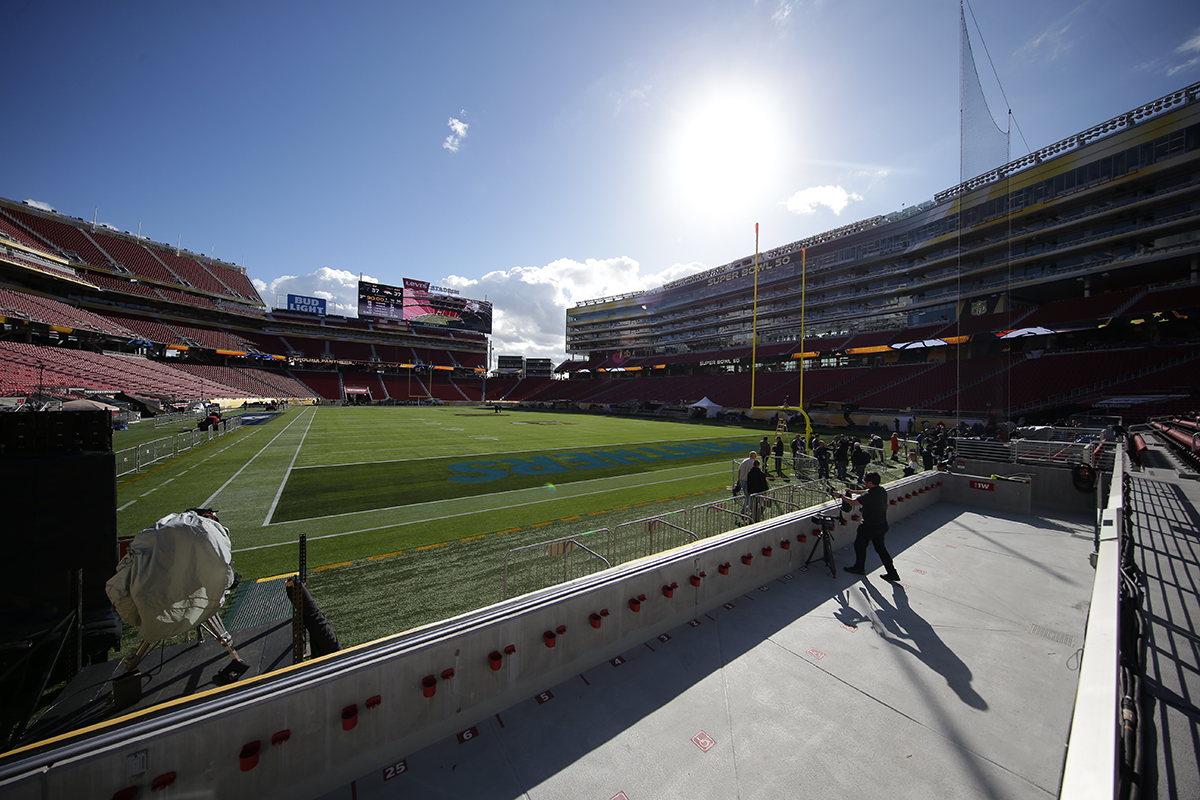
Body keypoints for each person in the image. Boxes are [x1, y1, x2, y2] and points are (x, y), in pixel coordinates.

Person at [839, 471, 899, 581]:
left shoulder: (870, 495)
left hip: (869, 526)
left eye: (865, 480)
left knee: (859, 546)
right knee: (881, 549)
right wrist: (853, 491)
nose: (863, 481)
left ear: (870, 482)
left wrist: (841, 496)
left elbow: (853, 503)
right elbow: (865, 492)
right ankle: (892, 572)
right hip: (881, 524)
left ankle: (859, 567)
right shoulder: (881, 490)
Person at [745, 457, 771, 521]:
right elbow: (763, 483)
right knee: (762, 504)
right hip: (760, 492)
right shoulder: (761, 473)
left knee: (754, 505)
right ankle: (757, 514)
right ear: (759, 465)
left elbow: (749, 483)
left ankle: (754, 515)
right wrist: (766, 490)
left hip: (752, 491)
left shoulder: (750, 473)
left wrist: (748, 491)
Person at [738, 451, 758, 515]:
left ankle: (751, 509)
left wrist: (739, 480)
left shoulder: (744, 461)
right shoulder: (753, 463)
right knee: (748, 497)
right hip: (747, 482)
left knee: (747, 497)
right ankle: (744, 510)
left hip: (742, 480)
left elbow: (739, 470)